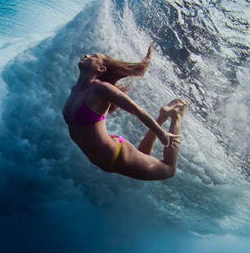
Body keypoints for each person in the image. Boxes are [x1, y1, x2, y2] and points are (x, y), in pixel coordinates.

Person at [63, 44, 189, 180]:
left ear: (101, 69)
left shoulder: (100, 88)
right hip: (105, 159)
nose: (86, 56)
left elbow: (136, 110)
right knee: (144, 155)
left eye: (93, 57)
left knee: (170, 170)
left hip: (116, 156)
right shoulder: (74, 90)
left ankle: (176, 117)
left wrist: (161, 133)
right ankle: (163, 116)